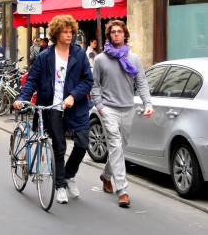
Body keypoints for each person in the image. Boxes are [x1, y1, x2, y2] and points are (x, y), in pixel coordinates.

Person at [13, 14, 93, 205]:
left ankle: (68, 174)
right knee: (59, 148)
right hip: (53, 108)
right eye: (65, 32)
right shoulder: (44, 57)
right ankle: (60, 187)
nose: (69, 35)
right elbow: (31, 80)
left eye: (71, 31)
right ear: (56, 34)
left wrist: (73, 95)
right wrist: (22, 98)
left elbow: (88, 80)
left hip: (75, 107)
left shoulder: (79, 54)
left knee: (82, 144)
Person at [90, 19, 154, 208]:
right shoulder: (101, 59)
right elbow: (95, 86)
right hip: (108, 109)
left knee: (120, 147)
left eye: (119, 31)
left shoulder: (133, 59)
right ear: (109, 36)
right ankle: (123, 191)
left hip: (128, 108)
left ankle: (106, 176)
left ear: (125, 34)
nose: (116, 34)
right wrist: (100, 107)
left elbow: (141, 83)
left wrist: (147, 103)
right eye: (113, 32)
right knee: (116, 146)